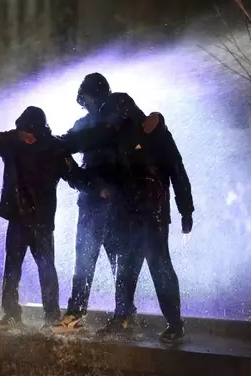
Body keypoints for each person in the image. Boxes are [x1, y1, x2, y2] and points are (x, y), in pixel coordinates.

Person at [62, 92, 194, 341]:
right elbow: (92, 155)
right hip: (126, 214)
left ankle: (175, 324)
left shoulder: (155, 133)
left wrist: (185, 209)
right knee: (125, 270)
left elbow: (177, 171)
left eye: (112, 116)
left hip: (152, 214)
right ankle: (122, 318)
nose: (108, 121)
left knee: (160, 268)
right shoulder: (116, 137)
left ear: (123, 113)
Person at [0, 101, 93, 330]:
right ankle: (11, 313)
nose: (26, 137)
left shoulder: (55, 149)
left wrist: (99, 188)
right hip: (17, 217)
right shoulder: (11, 142)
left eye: (30, 134)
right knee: (12, 268)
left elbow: (75, 175)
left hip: (42, 221)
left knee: (46, 269)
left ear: (40, 131)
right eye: (23, 133)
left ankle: (52, 315)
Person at [53, 73, 130, 333]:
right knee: (86, 259)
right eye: (84, 100)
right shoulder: (85, 125)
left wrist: (98, 187)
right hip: (92, 203)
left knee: (117, 260)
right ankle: (79, 311)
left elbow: (67, 155)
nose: (87, 104)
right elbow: (66, 160)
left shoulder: (115, 126)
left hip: (112, 205)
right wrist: (90, 186)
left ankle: (123, 313)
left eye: (89, 99)